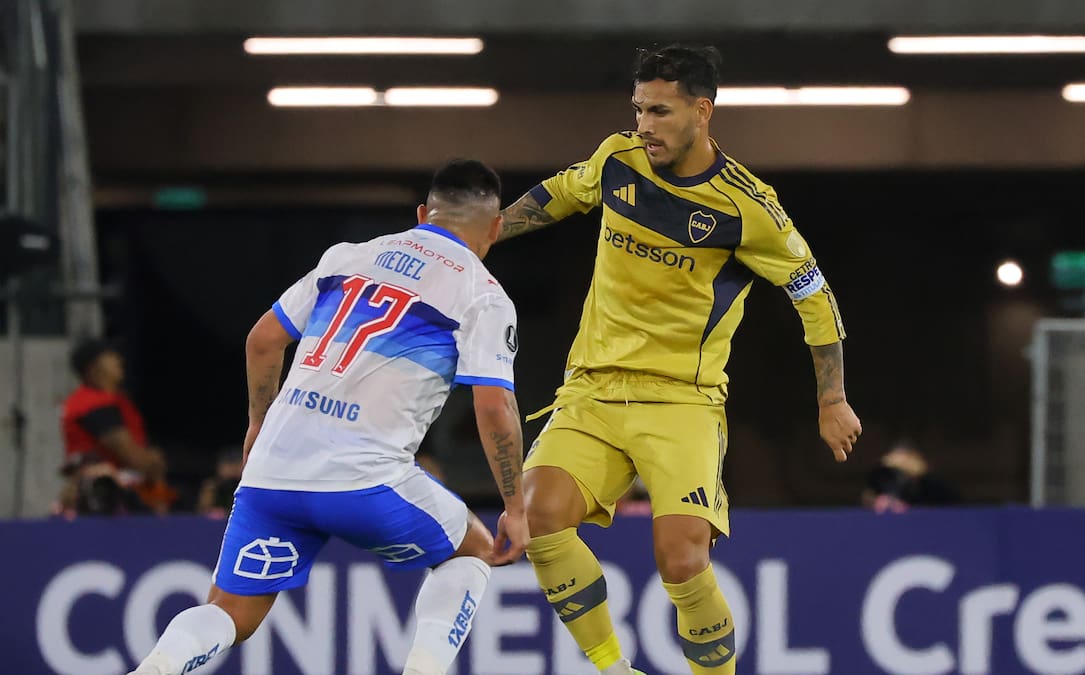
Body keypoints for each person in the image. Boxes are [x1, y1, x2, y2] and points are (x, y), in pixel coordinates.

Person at [499, 44, 862, 675]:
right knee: (538, 515)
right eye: (639, 109)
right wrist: (485, 233)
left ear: (702, 111)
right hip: (592, 388)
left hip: (682, 400)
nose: (644, 125)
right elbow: (560, 193)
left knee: (682, 559)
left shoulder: (749, 207)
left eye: (660, 112)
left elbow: (813, 294)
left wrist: (831, 398)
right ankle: (614, 669)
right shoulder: (618, 159)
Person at [129, 159, 529, 675]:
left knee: (230, 613)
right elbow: (493, 406)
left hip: (274, 471)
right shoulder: (482, 294)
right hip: (366, 482)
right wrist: (514, 505)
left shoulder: (347, 257)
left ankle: (156, 667)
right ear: (495, 227)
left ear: (422, 214)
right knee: (472, 551)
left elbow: (263, 340)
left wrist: (259, 425)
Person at [60, 339, 175, 514]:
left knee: (171, 515)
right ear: (93, 367)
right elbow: (131, 456)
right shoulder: (89, 403)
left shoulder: (119, 401)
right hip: (102, 497)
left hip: (138, 488)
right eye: (110, 356)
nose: (118, 360)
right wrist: (152, 461)